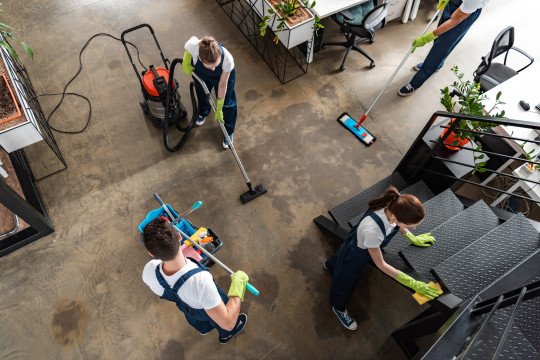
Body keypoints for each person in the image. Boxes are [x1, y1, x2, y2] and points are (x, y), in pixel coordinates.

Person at [324, 187, 443, 330]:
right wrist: (414, 284)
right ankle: (338, 306)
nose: (414, 229)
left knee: (341, 257)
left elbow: (398, 225)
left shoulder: (393, 205)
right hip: (357, 253)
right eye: (411, 227)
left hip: (360, 239)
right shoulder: (374, 231)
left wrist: (413, 238)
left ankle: (331, 266)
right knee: (345, 281)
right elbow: (381, 264)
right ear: (396, 218)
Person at [141, 217, 249, 343]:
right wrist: (238, 288)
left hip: (187, 306)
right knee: (219, 317)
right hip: (203, 306)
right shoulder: (201, 281)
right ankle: (225, 335)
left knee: (194, 313)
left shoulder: (149, 270)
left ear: (150, 253)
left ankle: (203, 328)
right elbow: (228, 323)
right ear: (180, 236)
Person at [398, 0, 489, 96]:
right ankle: (437, 64)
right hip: (456, 4)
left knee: (440, 49)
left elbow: (455, 19)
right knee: (440, 41)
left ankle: (416, 82)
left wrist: (427, 38)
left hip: (465, 14)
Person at [181, 35, 237, 149]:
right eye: (210, 66)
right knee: (201, 92)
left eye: (215, 65)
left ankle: (228, 131)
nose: (213, 69)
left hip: (222, 77)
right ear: (200, 58)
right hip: (201, 73)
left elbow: (222, 84)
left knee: (227, 102)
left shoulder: (227, 60)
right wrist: (186, 62)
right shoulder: (194, 47)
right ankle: (203, 112)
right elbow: (188, 47)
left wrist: (220, 106)